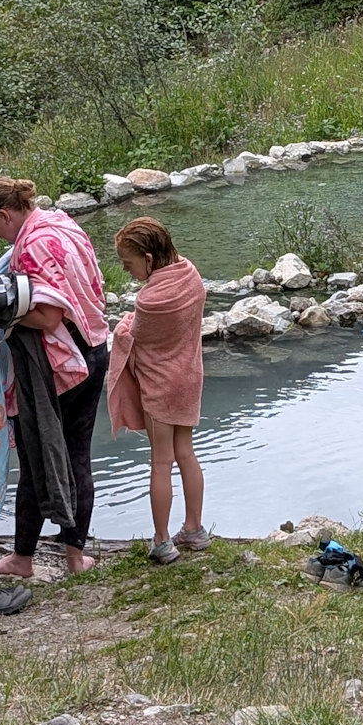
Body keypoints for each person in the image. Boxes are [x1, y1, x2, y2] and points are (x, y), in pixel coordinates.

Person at [0, 179, 109, 577]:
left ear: (4, 214)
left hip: (59, 365)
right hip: (94, 347)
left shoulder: (32, 245)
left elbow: (47, 317)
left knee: (37, 454)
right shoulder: (62, 223)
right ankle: (75, 558)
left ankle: (22, 558)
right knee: (77, 455)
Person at [106, 217, 211, 564]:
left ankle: (163, 540)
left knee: (161, 462)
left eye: (128, 263)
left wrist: (122, 324)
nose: (126, 270)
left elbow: (132, 335)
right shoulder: (190, 274)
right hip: (189, 379)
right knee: (187, 453)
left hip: (160, 386)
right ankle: (194, 529)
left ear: (148, 259)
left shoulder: (150, 300)